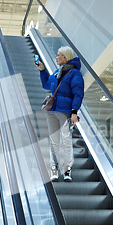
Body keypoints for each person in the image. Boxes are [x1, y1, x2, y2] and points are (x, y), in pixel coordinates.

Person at [36, 46, 84, 182]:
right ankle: (54, 169)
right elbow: (46, 84)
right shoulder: (57, 72)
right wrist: (43, 70)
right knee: (54, 141)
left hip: (65, 112)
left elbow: (78, 94)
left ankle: (67, 170)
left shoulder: (75, 74)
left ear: (65, 57)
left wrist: (74, 112)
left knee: (66, 142)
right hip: (52, 111)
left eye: (59, 55)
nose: (56, 57)